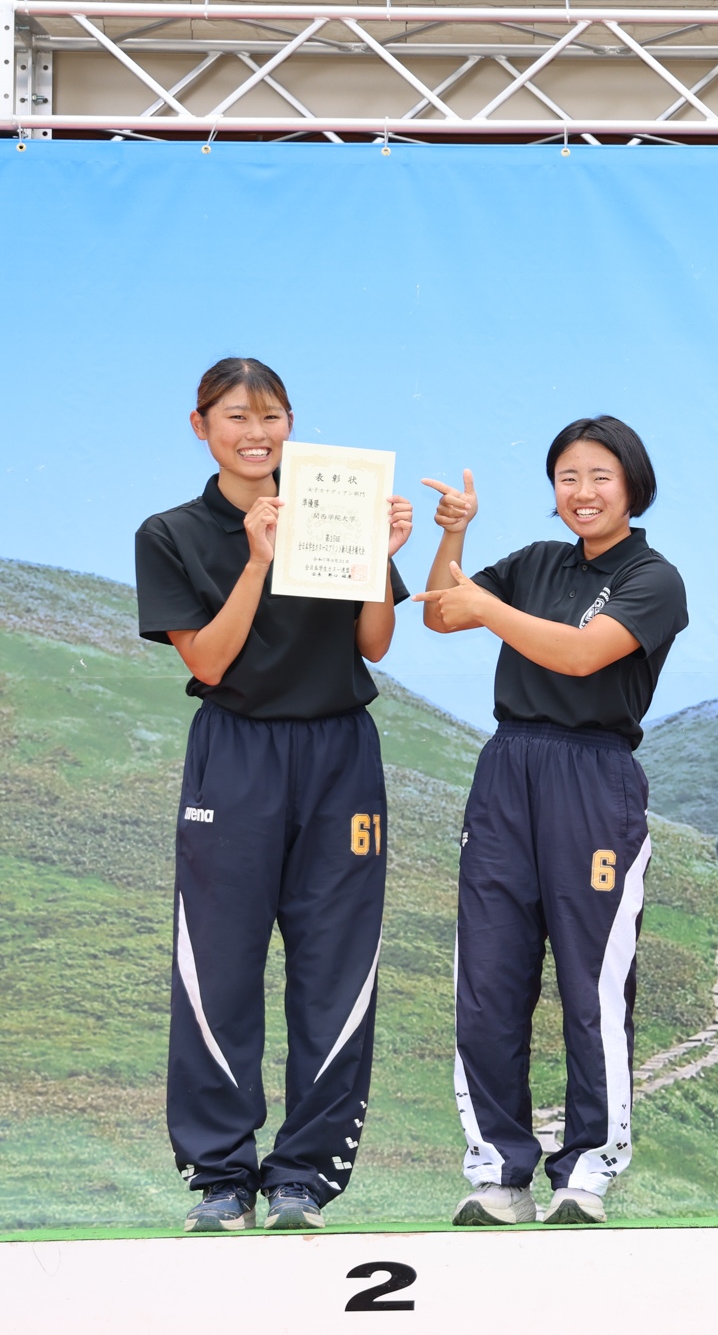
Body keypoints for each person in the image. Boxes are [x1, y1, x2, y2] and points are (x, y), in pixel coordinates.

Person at [134, 357, 412, 1232]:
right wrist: (258, 561)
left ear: (291, 422)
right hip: (236, 755)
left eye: (271, 416)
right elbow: (210, 662)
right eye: (235, 417)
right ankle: (222, 1177)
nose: (255, 435)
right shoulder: (171, 533)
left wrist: (380, 558)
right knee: (219, 967)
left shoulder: (335, 505)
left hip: (340, 756)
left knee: (336, 966)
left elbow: (375, 644)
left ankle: (303, 1176)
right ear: (201, 426)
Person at [415, 417, 687, 1226]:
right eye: (568, 477)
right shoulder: (534, 562)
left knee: (590, 985)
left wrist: (487, 609)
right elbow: (441, 614)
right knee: (488, 980)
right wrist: (454, 534)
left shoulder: (654, 577)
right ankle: (499, 1172)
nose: (583, 492)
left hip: (593, 776)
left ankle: (588, 1169)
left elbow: (579, 654)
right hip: (507, 769)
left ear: (632, 486)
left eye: (600, 476)